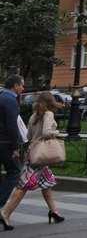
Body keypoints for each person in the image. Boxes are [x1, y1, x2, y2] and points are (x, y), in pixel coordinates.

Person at [0, 91, 65, 227]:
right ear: (49, 102)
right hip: (40, 156)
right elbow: (47, 132)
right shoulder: (49, 114)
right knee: (23, 185)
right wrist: (58, 133)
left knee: (47, 183)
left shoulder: (33, 116)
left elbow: (28, 136)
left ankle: (54, 212)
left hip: (34, 153)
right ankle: (5, 212)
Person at [0, 75, 24, 225]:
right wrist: (15, 147)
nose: (23, 88)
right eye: (22, 85)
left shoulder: (1, 96)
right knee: (15, 172)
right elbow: (11, 126)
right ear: (15, 85)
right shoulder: (10, 100)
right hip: (5, 143)